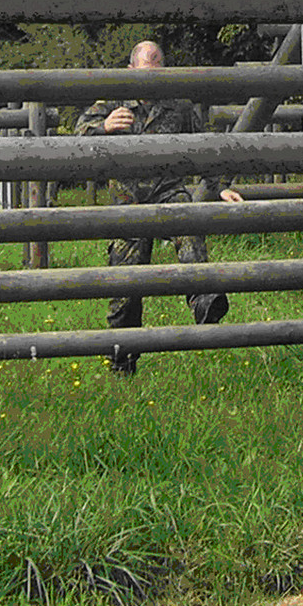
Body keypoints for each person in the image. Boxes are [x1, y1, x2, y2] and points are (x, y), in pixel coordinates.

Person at [75, 40, 245, 374]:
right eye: (145, 73)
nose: (151, 81)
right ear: (130, 72)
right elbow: (77, 131)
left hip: (168, 191)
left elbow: (204, 148)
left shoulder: (179, 105)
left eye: (157, 73)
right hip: (127, 202)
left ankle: (204, 301)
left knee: (188, 224)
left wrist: (221, 186)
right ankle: (122, 363)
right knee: (125, 286)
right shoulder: (112, 102)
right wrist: (104, 126)